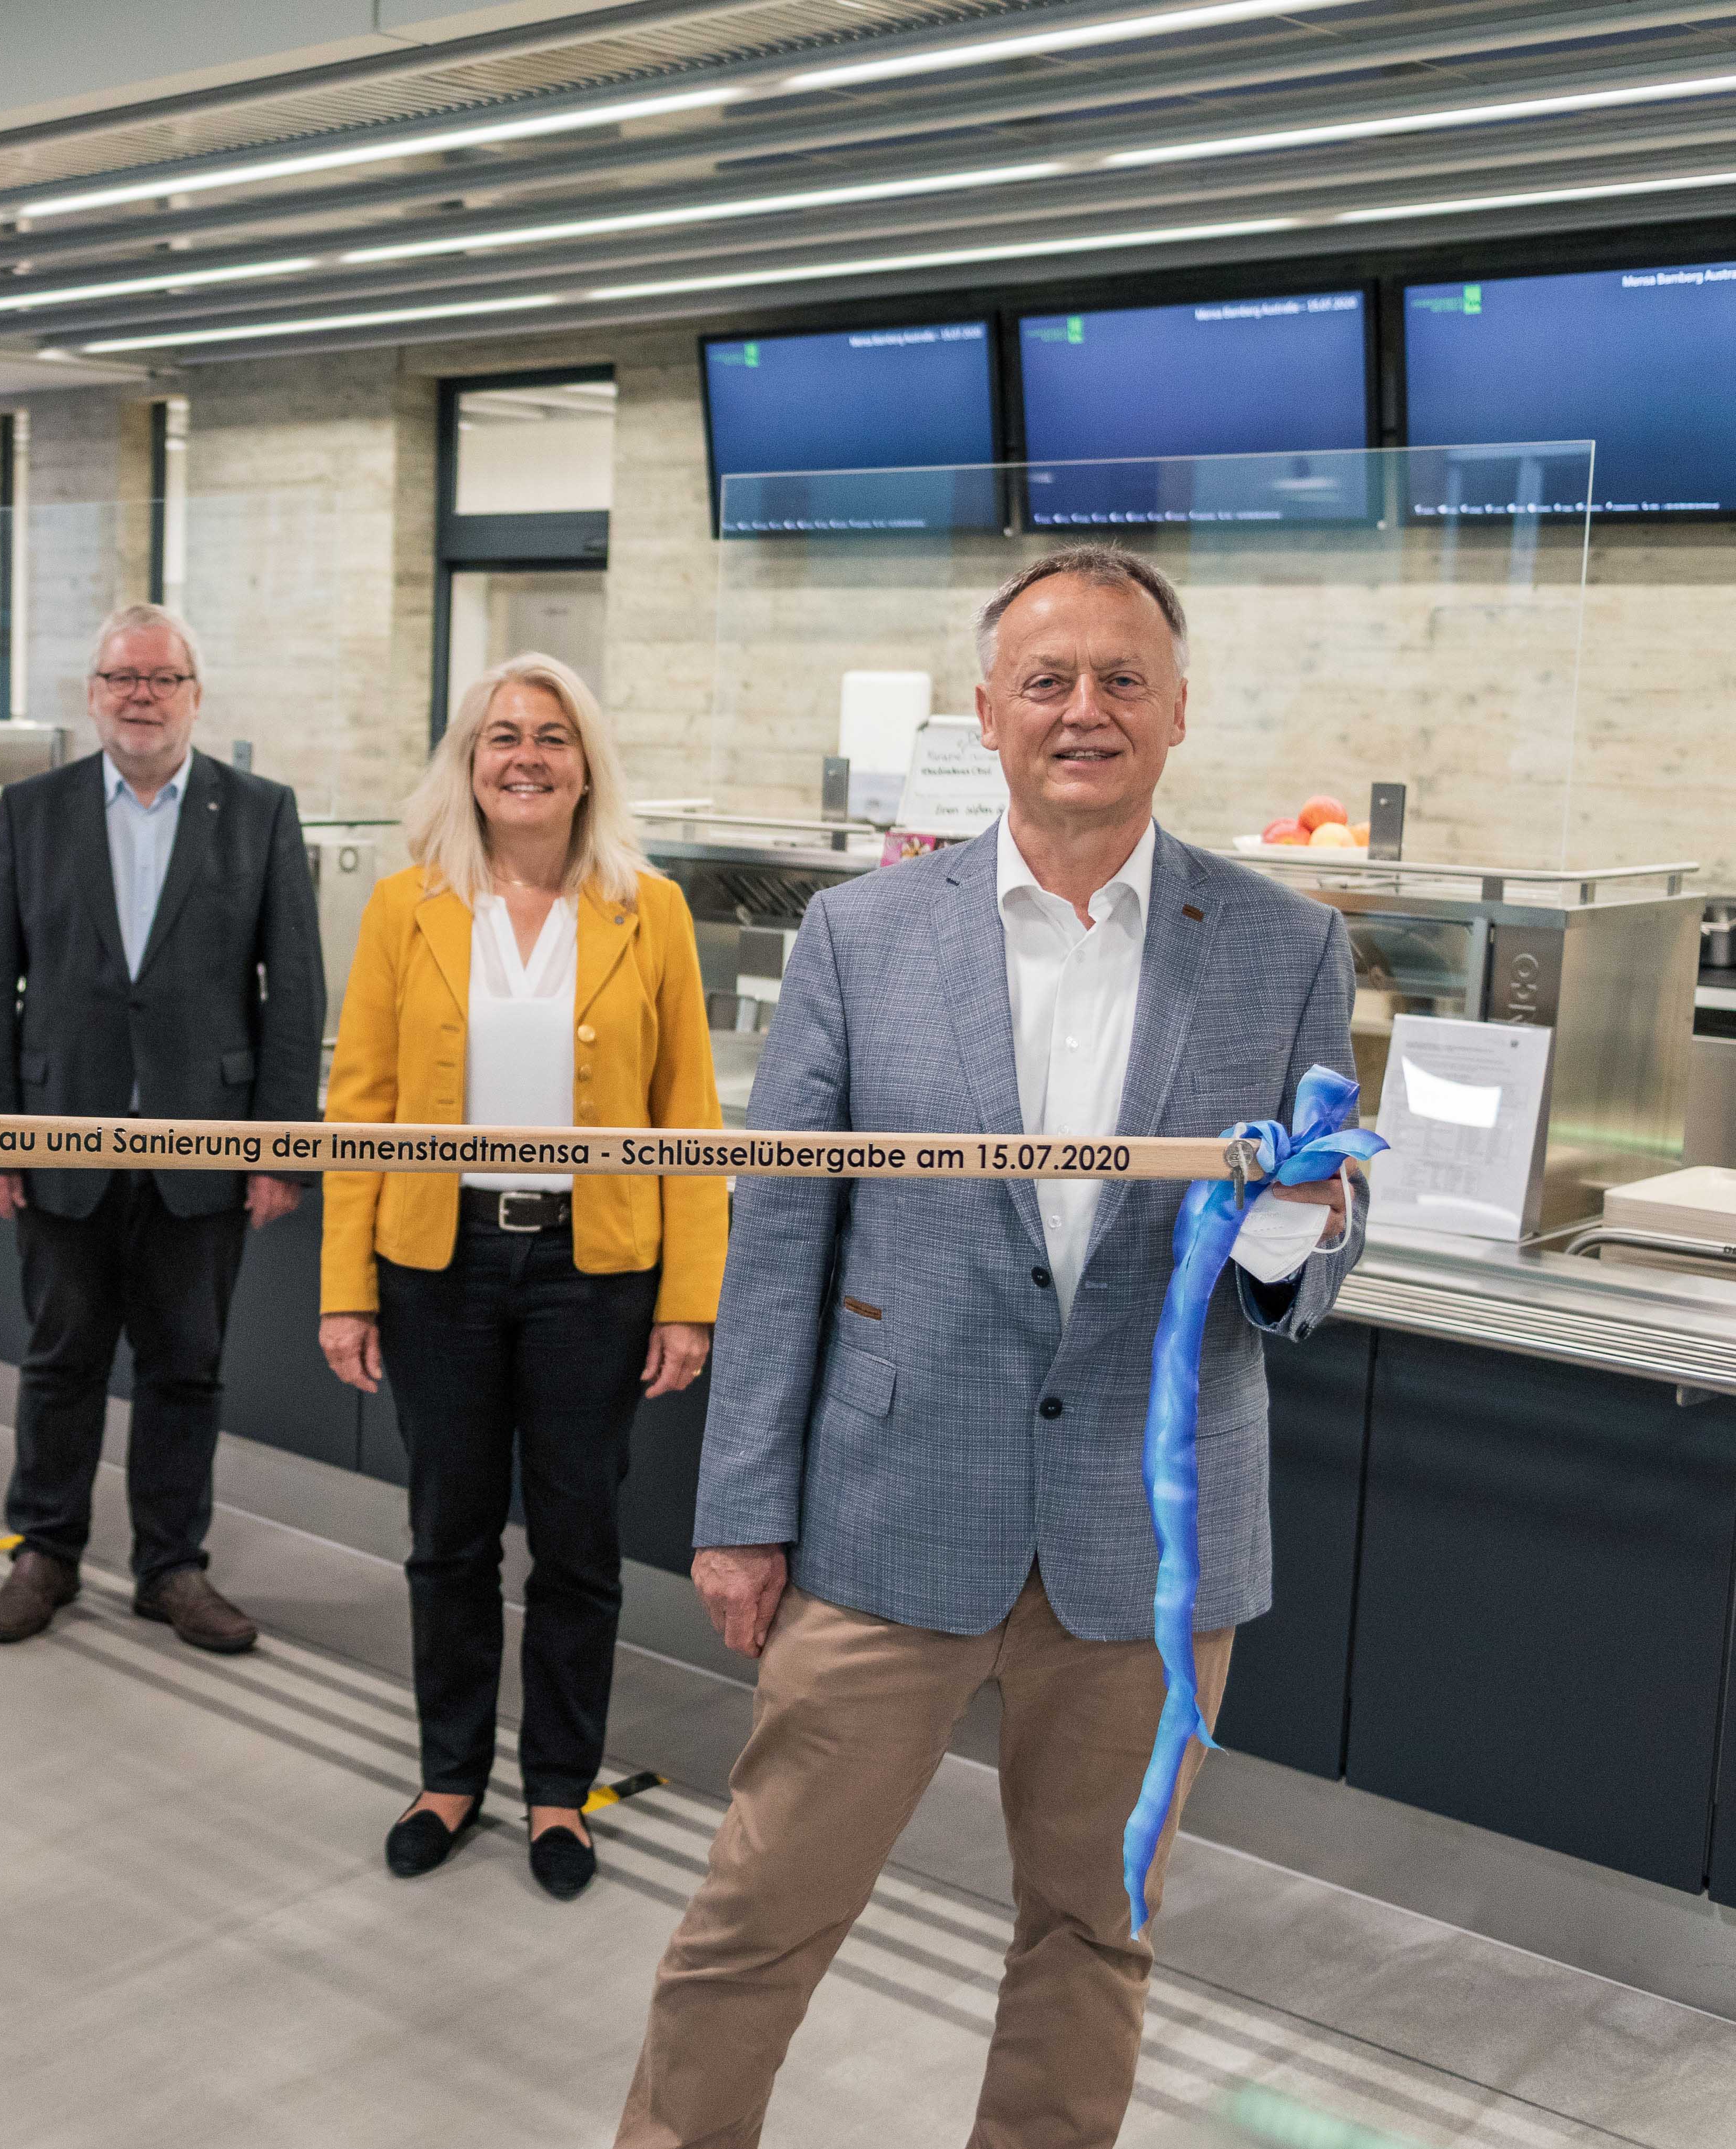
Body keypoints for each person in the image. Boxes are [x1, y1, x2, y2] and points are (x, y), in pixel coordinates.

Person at [611, 547, 1367, 2148]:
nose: (1083, 709)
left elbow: (1297, 1268)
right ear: (987, 712)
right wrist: (739, 1512)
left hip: (1146, 1545)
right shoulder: (862, 935)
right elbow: (781, 1239)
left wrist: (1302, 1226)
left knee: (1093, 1933)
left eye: (1120, 679)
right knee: (755, 1919)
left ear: (1176, 711)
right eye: (1047, 679)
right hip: (886, 1516)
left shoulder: (1287, 948)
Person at [317, 654, 723, 1903]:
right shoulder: (407, 906)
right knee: (445, 1536)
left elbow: (688, 1117)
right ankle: (448, 1775)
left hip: (591, 1270)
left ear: (585, 765)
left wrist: (688, 1298)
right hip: (435, 1262)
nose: (527, 757)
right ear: (468, 760)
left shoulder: (648, 910)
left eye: (552, 736)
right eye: (502, 735)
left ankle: (558, 1788)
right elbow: (360, 1106)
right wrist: (344, 1284)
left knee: (577, 1541)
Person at [0, 601, 325, 1654]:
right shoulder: (33, 810)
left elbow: (294, 994)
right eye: (122, 677)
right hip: (61, 1141)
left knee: (185, 1367)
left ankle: (170, 1565)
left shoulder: (257, 812)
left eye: (163, 678)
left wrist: (279, 1149)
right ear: (92, 695)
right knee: (59, 1359)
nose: (142, 696)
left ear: (195, 696)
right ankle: (46, 1549)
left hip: (203, 1150)